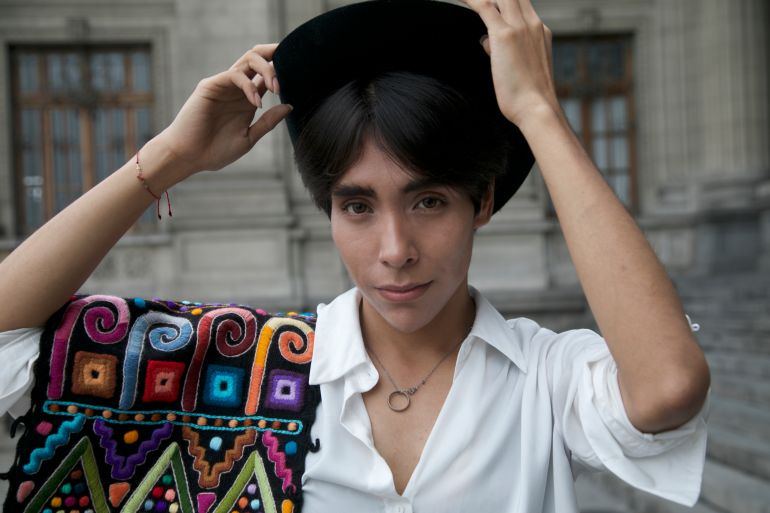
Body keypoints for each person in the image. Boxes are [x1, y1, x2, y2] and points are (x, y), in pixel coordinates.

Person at [0, 0, 709, 511]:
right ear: (330, 211)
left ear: (482, 202)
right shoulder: (243, 365)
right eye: (358, 206)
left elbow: (668, 387)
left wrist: (541, 114)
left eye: (429, 201)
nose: (395, 251)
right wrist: (165, 159)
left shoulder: (546, 380)